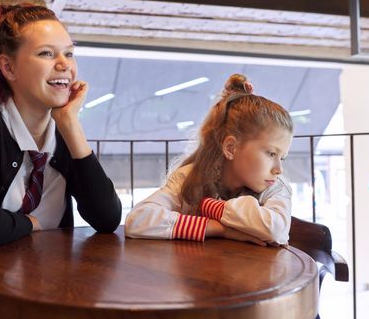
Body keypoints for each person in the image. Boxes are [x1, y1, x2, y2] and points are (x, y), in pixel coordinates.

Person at [0, 3, 122, 318]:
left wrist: (70, 124)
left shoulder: (62, 132)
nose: (64, 65)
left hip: (49, 299)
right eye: (46, 54)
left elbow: (107, 217)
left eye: (69, 54)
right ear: (8, 67)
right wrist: (31, 223)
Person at [125, 74, 293, 246]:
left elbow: (277, 230)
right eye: (271, 154)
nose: (279, 169)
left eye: (283, 158)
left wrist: (211, 207)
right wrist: (220, 229)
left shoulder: (276, 187)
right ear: (231, 148)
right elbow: (137, 220)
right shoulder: (190, 178)